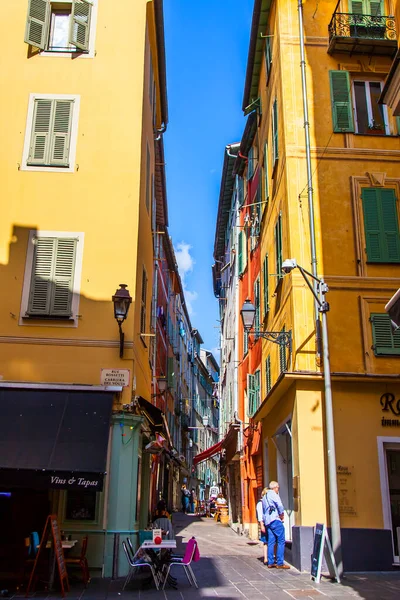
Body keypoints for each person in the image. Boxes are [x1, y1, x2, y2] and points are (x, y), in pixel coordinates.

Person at [261, 481, 290, 569]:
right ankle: (280, 562)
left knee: (271, 542)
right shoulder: (273, 494)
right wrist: (281, 514)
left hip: (268, 521)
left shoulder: (265, 496)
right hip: (275, 519)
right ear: (275, 488)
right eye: (278, 488)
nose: (278, 489)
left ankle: (270, 562)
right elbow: (279, 505)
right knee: (281, 541)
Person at [256, 487, 269, 564]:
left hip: (269, 523)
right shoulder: (260, 503)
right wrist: (262, 525)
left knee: (271, 541)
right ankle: (266, 558)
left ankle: (271, 556)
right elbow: (260, 515)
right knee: (265, 542)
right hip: (264, 523)